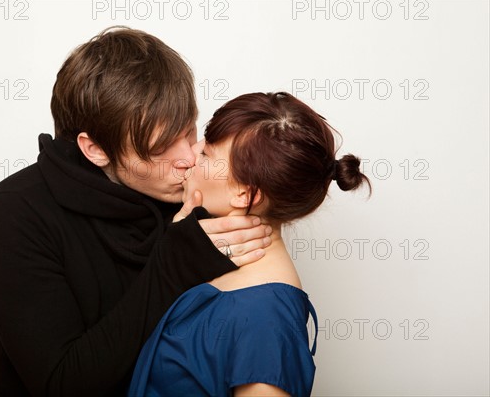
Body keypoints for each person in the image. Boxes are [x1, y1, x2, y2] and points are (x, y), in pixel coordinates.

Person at [0, 27, 272, 396]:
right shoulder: (14, 215)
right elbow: (60, 385)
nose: (189, 158)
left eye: (188, 130)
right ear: (95, 149)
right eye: (161, 147)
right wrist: (171, 265)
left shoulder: (190, 192)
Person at [128, 92, 372, 397]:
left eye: (207, 155)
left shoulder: (265, 319)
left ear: (245, 195)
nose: (192, 153)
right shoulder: (207, 261)